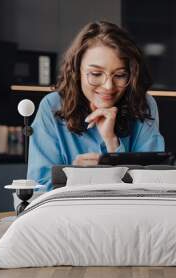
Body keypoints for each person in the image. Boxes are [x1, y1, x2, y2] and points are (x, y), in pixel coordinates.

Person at [27, 21, 165, 191]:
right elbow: (36, 188)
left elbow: (155, 183)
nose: (108, 86)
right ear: (77, 71)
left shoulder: (143, 104)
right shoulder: (52, 106)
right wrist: (74, 177)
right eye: (96, 74)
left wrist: (112, 145)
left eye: (120, 75)